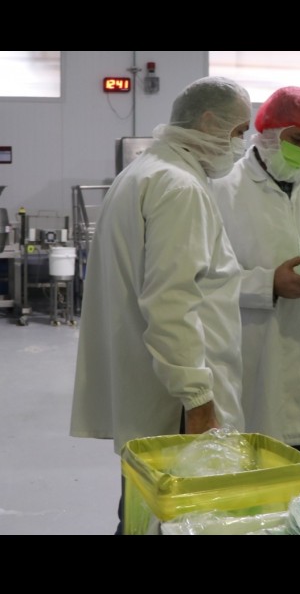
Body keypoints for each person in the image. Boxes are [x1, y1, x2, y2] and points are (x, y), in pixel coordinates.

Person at [70, 76, 252, 533]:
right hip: (175, 401)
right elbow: (172, 304)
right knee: (169, 519)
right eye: (239, 131)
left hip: (150, 386)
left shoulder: (143, 173)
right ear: (209, 122)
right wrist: (199, 400)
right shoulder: (179, 187)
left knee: (140, 510)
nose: (242, 144)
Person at [211, 86, 300, 471]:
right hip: (255, 359)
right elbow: (203, 278)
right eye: (296, 139)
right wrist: (268, 285)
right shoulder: (222, 188)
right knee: (251, 474)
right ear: (269, 131)